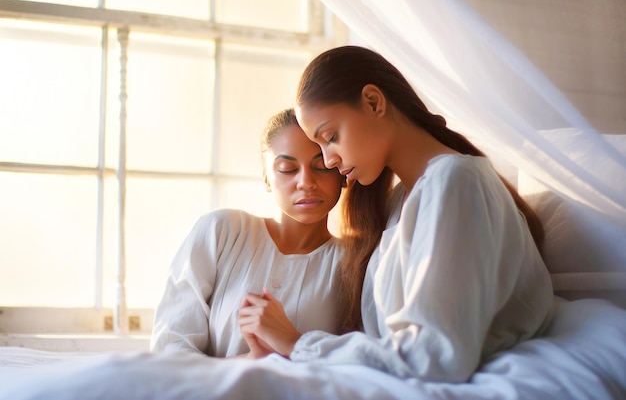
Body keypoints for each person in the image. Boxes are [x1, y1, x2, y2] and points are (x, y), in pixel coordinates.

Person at [237, 46, 554, 382]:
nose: (329, 160)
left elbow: (433, 357)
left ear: (374, 102)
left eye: (331, 137)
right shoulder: (398, 202)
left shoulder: (456, 182)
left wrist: (297, 343)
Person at [151, 108, 346, 358]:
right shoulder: (221, 232)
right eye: (287, 168)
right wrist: (250, 361)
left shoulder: (354, 262)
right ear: (266, 178)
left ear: (342, 172)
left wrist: (291, 344)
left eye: (322, 166)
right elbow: (169, 351)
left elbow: (360, 368)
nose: (306, 182)